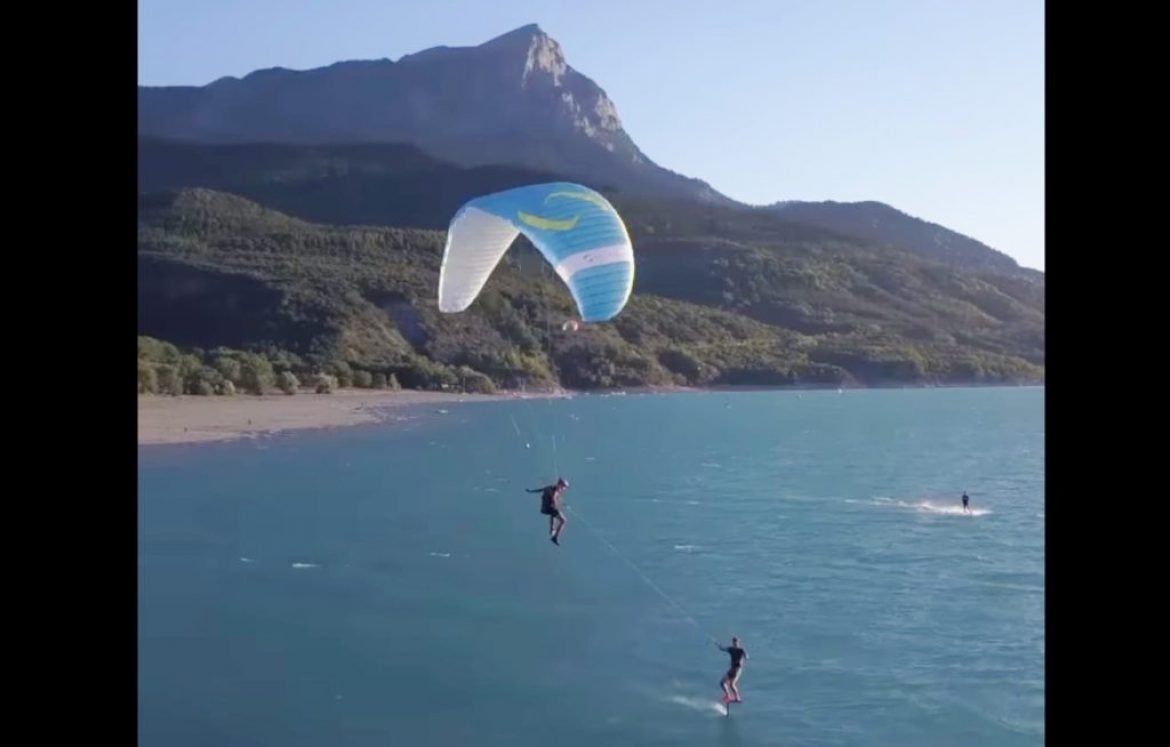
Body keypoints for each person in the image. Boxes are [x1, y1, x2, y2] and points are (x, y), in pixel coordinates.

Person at [526, 478, 569, 545]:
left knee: (553, 513)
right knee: (563, 520)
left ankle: (552, 530)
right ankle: (554, 536)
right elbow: (553, 498)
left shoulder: (549, 487)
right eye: (563, 487)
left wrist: (530, 491)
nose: (564, 489)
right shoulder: (554, 491)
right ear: (559, 484)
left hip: (544, 509)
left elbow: (540, 490)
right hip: (548, 508)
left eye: (565, 487)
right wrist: (558, 504)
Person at [716, 637, 747, 703]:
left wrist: (743, 659)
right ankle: (728, 695)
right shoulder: (731, 649)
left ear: (738, 643)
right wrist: (719, 645)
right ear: (732, 642)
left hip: (737, 669)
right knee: (722, 683)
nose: (735, 643)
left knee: (732, 684)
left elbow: (746, 656)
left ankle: (737, 697)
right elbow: (723, 649)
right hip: (732, 669)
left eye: (736, 642)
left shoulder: (741, 650)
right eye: (734, 642)